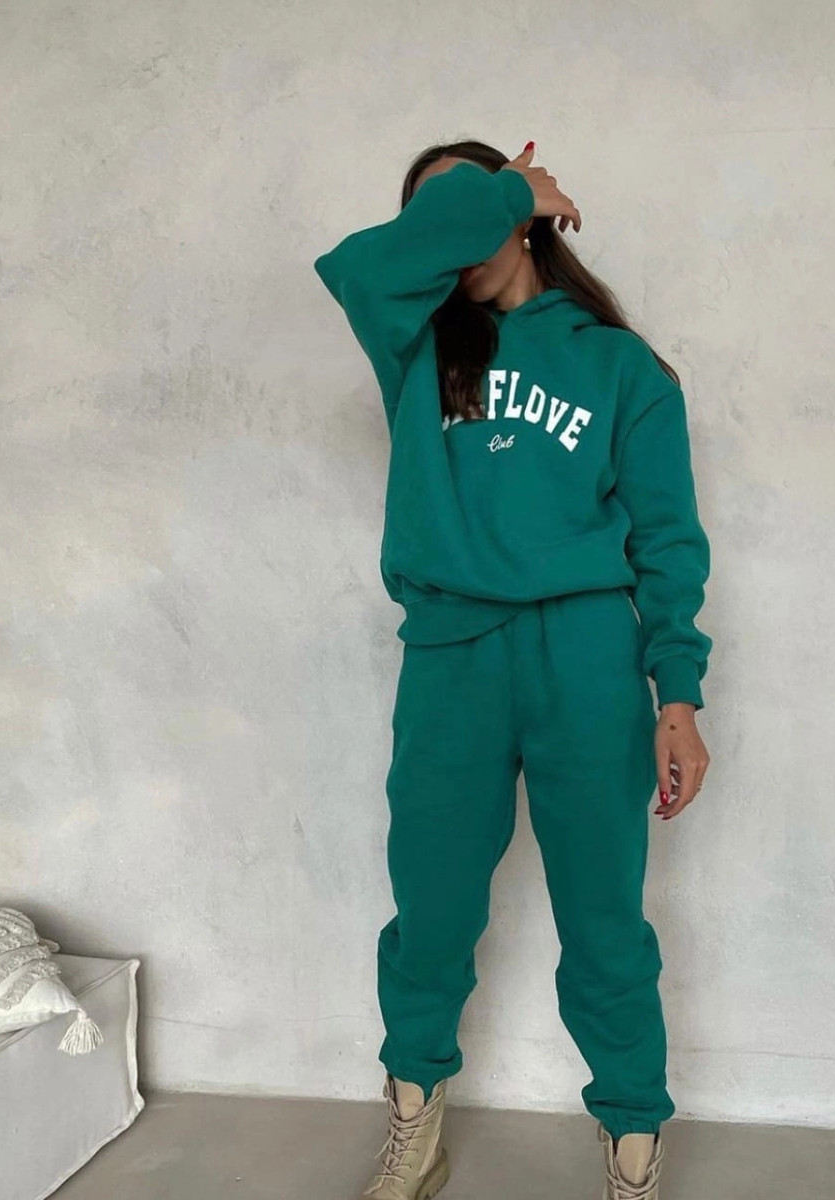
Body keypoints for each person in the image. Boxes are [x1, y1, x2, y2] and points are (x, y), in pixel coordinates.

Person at [313, 138, 713, 1200]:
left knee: (604, 917)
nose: (459, 236)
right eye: (436, 221)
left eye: (481, 207)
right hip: (452, 656)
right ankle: (416, 1123)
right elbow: (356, 266)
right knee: (432, 907)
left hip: (587, 656)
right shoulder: (411, 344)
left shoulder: (619, 367)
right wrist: (504, 193)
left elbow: (669, 544)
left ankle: (632, 1139)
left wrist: (677, 696)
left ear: (530, 224)